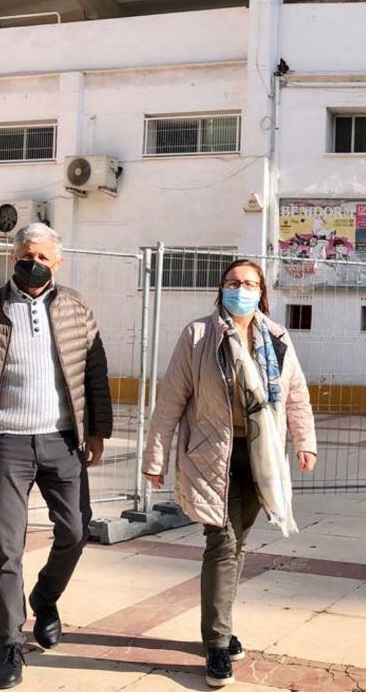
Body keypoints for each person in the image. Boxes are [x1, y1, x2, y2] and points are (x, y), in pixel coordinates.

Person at [0, 223, 112, 689]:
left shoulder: (76, 308)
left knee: (76, 530)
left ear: (58, 262)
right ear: (12, 258)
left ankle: (46, 598)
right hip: (5, 444)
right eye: (23, 255)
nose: (30, 262)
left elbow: (94, 370)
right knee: (7, 547)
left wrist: (98, 429)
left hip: (62, 440)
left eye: (40, 255)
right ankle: (9, 645)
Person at [143, 258, 317, 688]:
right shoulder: (199, 335)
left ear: (262, 292)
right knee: (223, 542)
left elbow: (295, 394)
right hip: (211, 454)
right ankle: (218, 645)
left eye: (249, 283)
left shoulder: (276, 337)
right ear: (221, 288)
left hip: (261, 457)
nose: (241, 288)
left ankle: (219, 627)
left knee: (237, 546)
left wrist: (304, 441)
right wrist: (155, 458)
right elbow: (170, 399)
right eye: (233, 282)